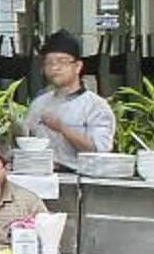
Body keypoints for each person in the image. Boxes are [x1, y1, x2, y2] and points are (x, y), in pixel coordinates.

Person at [27, 32, 117, 171]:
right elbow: (27, 138)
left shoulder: (96, 106)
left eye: (62, 61)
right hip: (41, 175)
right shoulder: (38, 103)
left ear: (78, 66)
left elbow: (99, 151)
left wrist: (62, 128)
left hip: (81, 181)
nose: (54, 67)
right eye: (49, 62)